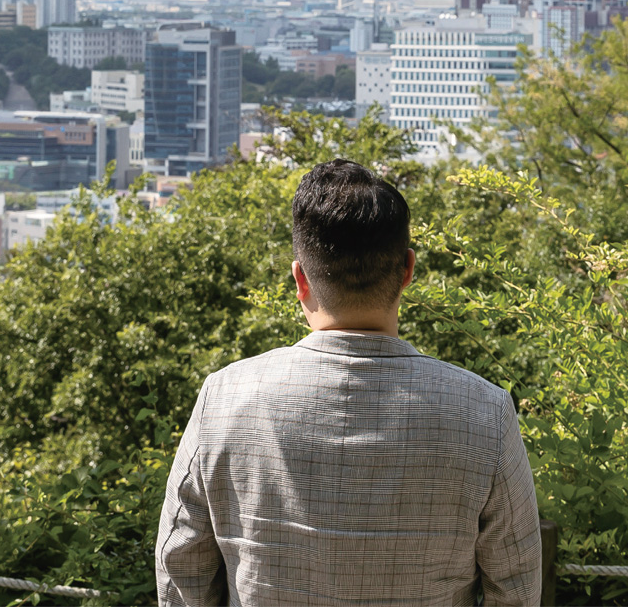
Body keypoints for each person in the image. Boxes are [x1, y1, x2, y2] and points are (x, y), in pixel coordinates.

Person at [156, 159, 541, 606]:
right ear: (407, 270)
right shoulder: (484, 412)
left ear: (300, 279)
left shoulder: (225, 398)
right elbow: (516, 589)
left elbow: (181, 567)